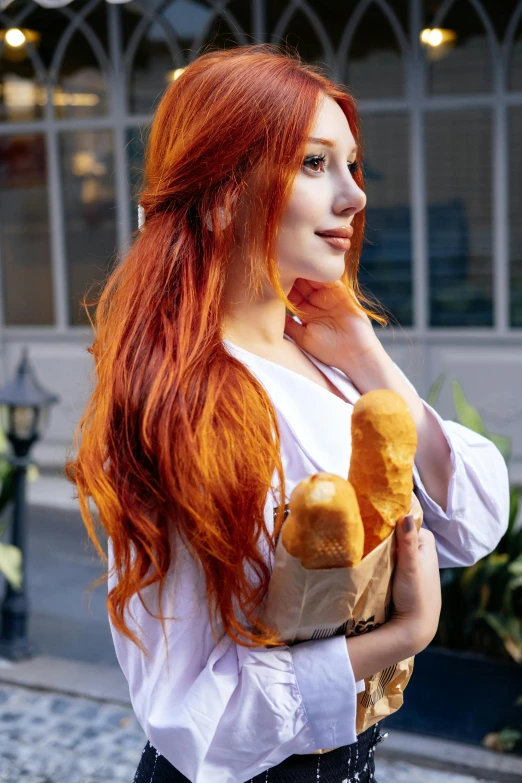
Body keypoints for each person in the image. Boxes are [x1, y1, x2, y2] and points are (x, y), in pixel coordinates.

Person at [64, 44, 510, 783]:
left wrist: (367, 357)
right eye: (313, 164)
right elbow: (192, 720)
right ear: (220, 194)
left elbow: (473, 519)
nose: (355, 196)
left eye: (352, 164)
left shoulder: (333, 368)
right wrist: (405, 632)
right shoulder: (184, 404)